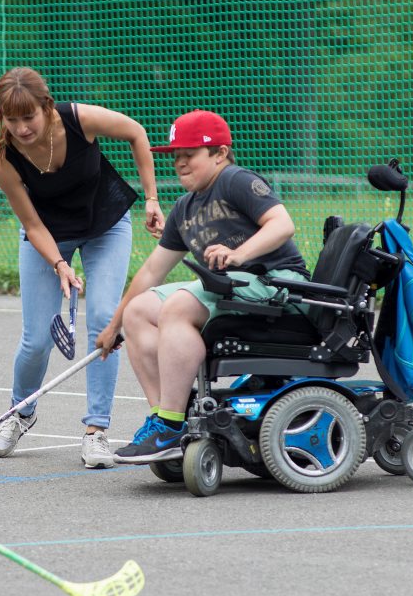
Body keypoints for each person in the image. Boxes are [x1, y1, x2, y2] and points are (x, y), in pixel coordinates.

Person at [96, 109, 310, 463]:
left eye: (189, 155)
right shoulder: (184, 208)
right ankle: (166, 417)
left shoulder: (235, 180)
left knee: (179, 304)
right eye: (176, 156)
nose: (179, 163)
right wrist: (114, 324)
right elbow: (151, 272)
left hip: (278, 285)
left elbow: (282, 224)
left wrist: (238, 254)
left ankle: (171, 422)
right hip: (233, 289)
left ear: (220, 154)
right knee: (139, 310)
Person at [0, 67, 164, 469]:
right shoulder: (4, 160)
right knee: (36, 340)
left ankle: (96, 431)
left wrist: (152, 198)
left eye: (28, 116)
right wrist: (60, 265)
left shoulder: (79, 119)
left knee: (104, 318)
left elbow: (136, 131)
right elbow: (32, 225)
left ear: (46, 107)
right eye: (11, 120)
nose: (21, 127)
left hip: (106, 224)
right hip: (49, 234)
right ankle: (21, 411)